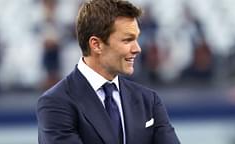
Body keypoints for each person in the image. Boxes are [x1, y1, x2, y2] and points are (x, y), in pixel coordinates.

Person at [36, 0, 180, 144]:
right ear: (96, 44)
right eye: (127, 40)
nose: (137, 48)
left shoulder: (148, 101)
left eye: (136, 39)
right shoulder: (56, 103)